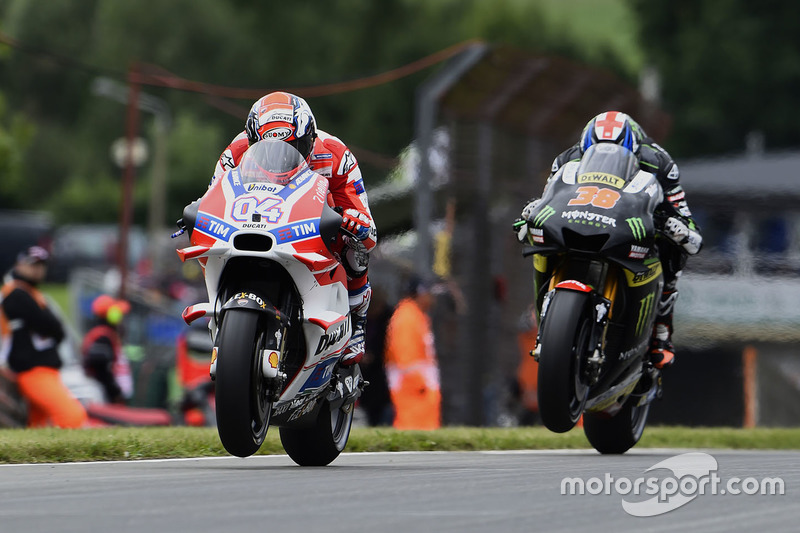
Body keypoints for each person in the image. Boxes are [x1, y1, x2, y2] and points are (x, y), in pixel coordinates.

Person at [518, 111, 702, 368]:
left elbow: (683, 214)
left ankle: (662, 330)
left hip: (633, 223)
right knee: (542, 237)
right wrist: (533, 211)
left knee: (674, 250)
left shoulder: (660, 163)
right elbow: (551, 198)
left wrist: (678, 227)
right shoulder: (567, 159)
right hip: (582, 217)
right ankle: (545, 309)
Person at [210, 91, 376, 366]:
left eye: (293, 146)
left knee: (357, 247)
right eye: (268, 148)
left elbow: (367, 225)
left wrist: (353, 222)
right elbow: (214, 196)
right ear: (252, 141)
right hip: (257, 222)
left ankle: (357, 319)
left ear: (309, 138)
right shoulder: (236, 152)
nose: (281, 157)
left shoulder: (335, 154)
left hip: (313, 228)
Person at [0, 246, 87, 428]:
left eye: (42, 265)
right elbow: (53, 327)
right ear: (19, 265)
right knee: (72, 416)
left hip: (43, 369)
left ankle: (32, 456)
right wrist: (52, 326)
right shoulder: (16, 294)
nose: (38, 269)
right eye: (33, 264)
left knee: (36, 426)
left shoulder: (32, 294)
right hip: (34, 371)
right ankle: (69, 456)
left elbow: (56, 328)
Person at [384, 276, 441, 430]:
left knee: (421, 426)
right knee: (412, 427)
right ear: (421, 293)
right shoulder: (407, 317)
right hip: (412, 387)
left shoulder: (414, 314)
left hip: (416, 385)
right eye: (429, 294)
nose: (432, 298)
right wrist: (418, 382)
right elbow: (405, 356)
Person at [81, 294, 133, 404]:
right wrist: (114, 392)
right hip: (102, 394)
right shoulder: (103, 336)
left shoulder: (103, 333)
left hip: (102, 391)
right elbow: (101, 368)